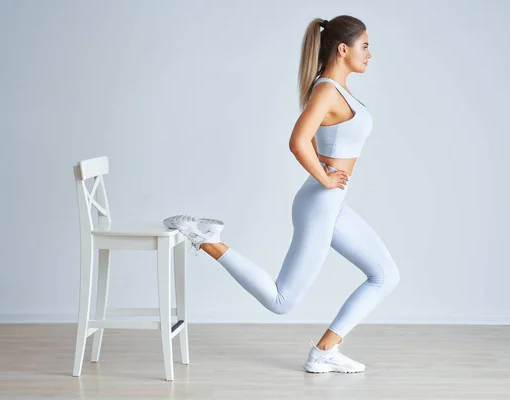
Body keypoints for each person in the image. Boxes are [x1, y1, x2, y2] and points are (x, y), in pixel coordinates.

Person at [163, 15, 400, 374]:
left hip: (332, 206)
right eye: (364, 45)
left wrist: (328, 181)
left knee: (385, 275)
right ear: (343, 48)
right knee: (281, 300)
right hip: (320, 205)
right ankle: (209, 241)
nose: (369, 53)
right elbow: (297, 140)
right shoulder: (326, 90)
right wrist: (324, 176)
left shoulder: (340, 90)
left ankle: (325, 350)